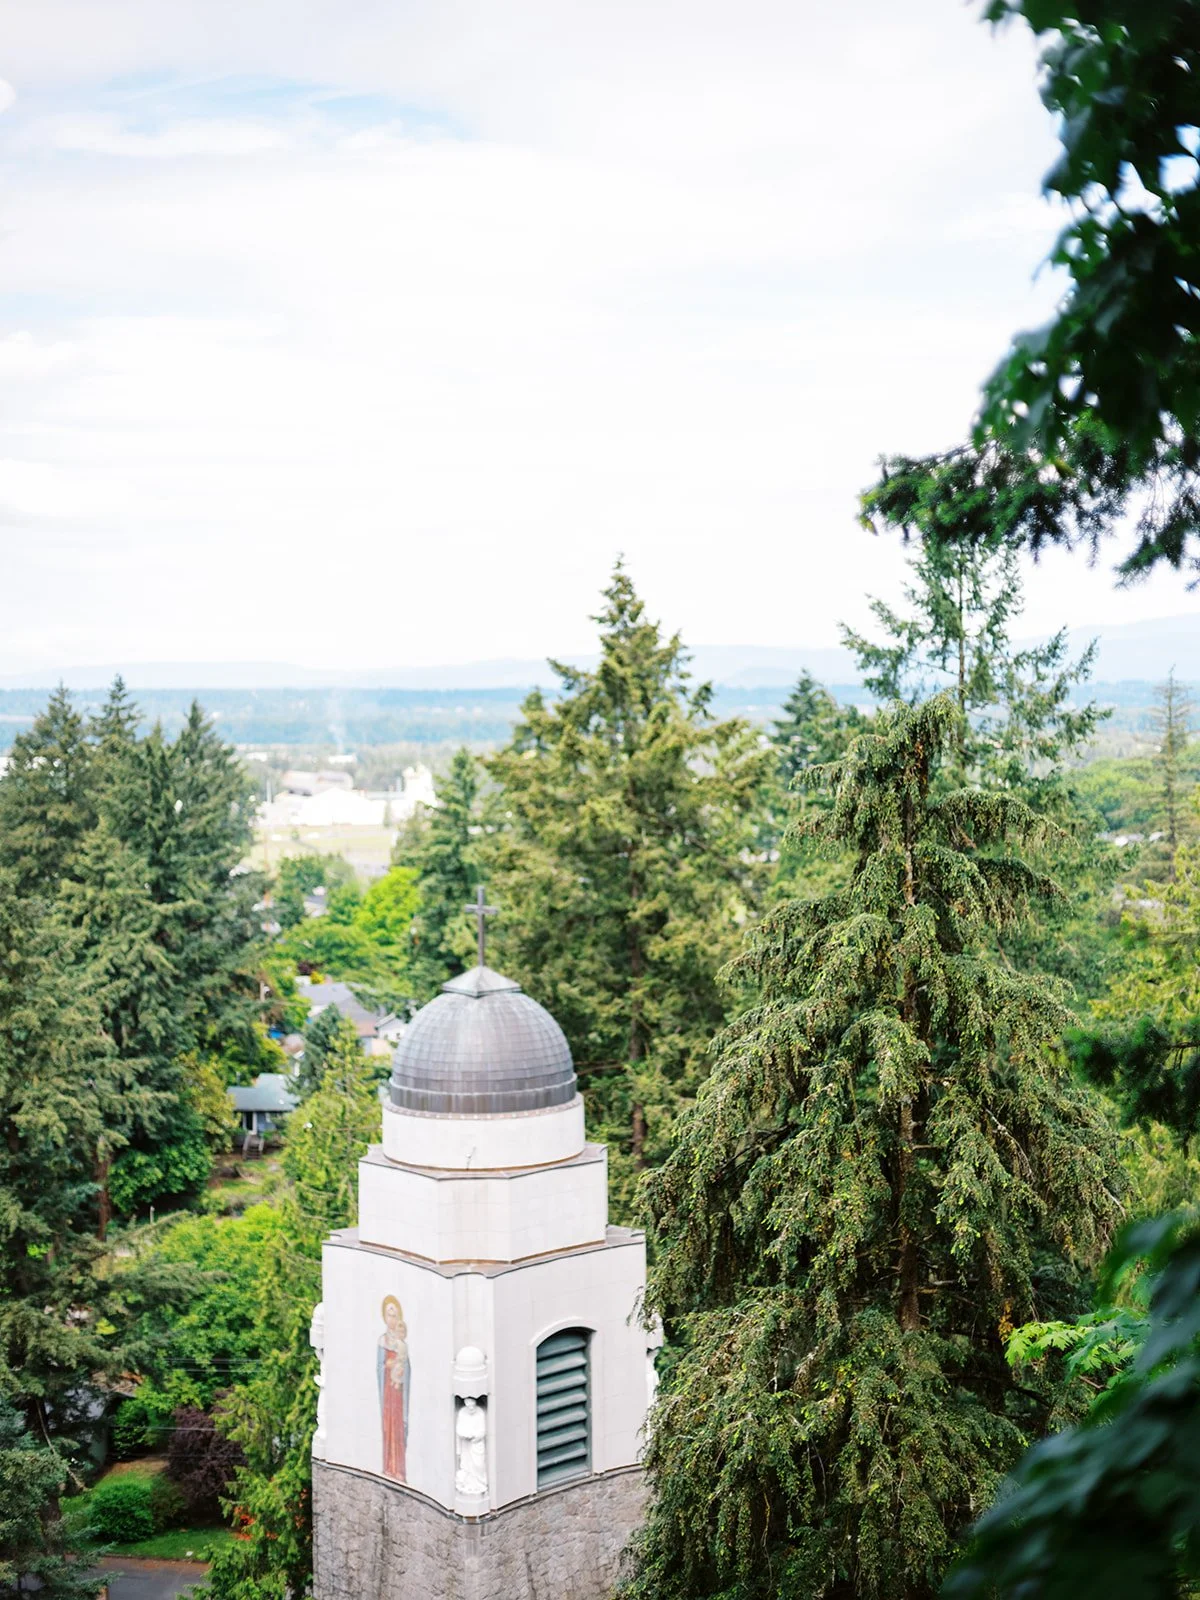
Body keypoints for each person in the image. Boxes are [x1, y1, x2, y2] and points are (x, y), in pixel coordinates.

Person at [377, 1295, 411, 1480]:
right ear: (384, 1317)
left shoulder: (402, 1343)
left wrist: (400, 1369)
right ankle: (388, 1467)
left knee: (398, 1426)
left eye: (395, 1315)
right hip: (387, 1392)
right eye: (389, 1315)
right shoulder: (382, 1341)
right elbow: (379, 1367)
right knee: (388, 1425)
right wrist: (387, 1367)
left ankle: (399, 1469)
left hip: (398, 1394)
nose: (392, 1319)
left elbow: (407, 1367)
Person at [455, 1396, 487, 1496]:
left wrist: (476, 1436)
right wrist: (465, 1434)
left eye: (473, 1405)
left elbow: (482, 1430)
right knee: (466, 1464)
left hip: (477, 1443)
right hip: (465, 1443)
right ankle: (467, 1483)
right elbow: (459, 1428)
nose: (471, 1408)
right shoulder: (462, 1413)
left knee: (478, 1464)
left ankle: (480, 1483)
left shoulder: (480, 1412)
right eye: (469, 1406)